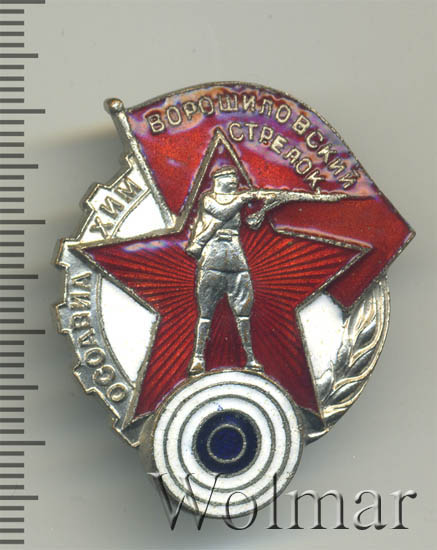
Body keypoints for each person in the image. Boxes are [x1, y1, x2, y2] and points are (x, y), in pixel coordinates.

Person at [185, 165, 349, 376]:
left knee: (243, 314)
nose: (235, 181)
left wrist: (266, 205)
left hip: (237, 263)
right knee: (205, 315)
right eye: (230, 177)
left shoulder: (238, 200)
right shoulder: (209, 199)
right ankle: (198, 359)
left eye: (235, 177)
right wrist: (245, 198)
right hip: (211, 262)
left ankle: (250, 358)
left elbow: (251, 222)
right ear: (219, 179)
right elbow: (222, 211)